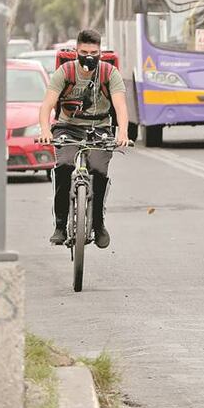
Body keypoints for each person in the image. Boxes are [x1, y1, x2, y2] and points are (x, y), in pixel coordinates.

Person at [37, 29, 130, 248]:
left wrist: (123, 132)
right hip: (68, 128)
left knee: (98, 170)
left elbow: (120, 106)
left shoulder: (109, 73)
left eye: (94, 52)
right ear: (76, 51)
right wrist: (44, 130)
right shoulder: (65, 71)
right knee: (64, 166)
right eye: (84, 51)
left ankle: (98, 224)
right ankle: (60, 224)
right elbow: (47, 104)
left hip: (100, 128)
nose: (89, 56)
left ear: (100, 52)